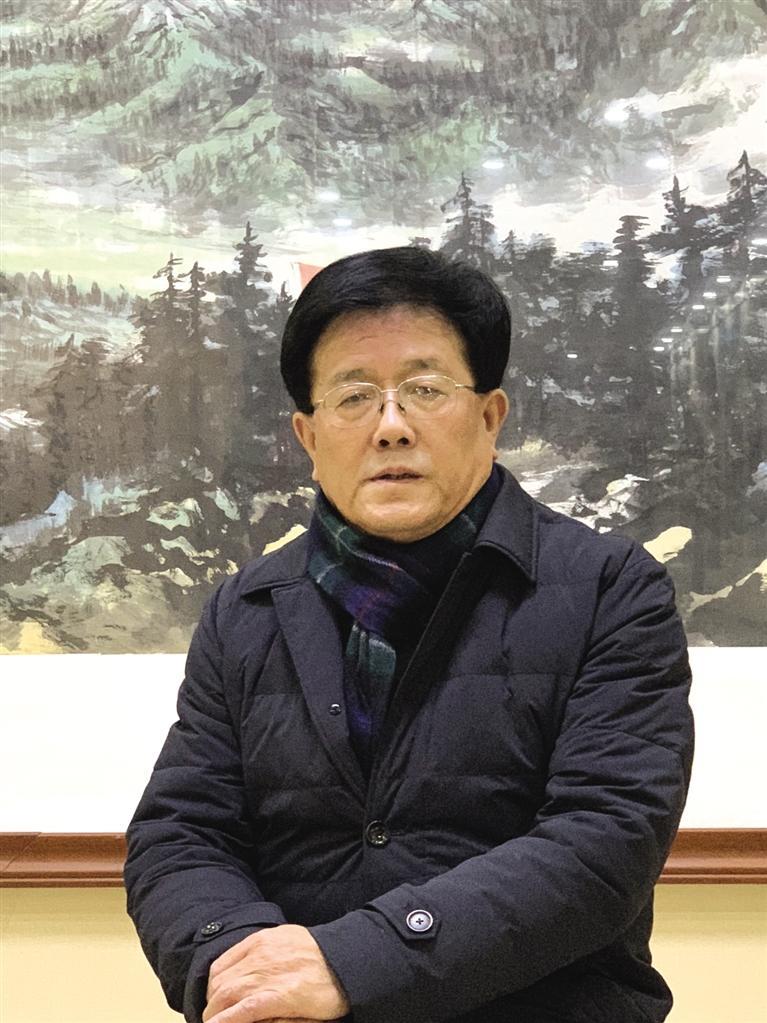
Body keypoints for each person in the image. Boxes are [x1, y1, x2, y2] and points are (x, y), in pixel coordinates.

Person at [125, 246, 694, 1023]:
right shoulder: (247, 608)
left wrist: (351, 963)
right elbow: (182, 831)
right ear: (308, 435)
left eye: (424, 390)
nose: (390, 426)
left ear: (489, 416)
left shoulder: (607, 588)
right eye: (353, 396)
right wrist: (240, 965)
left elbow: (605, 840)